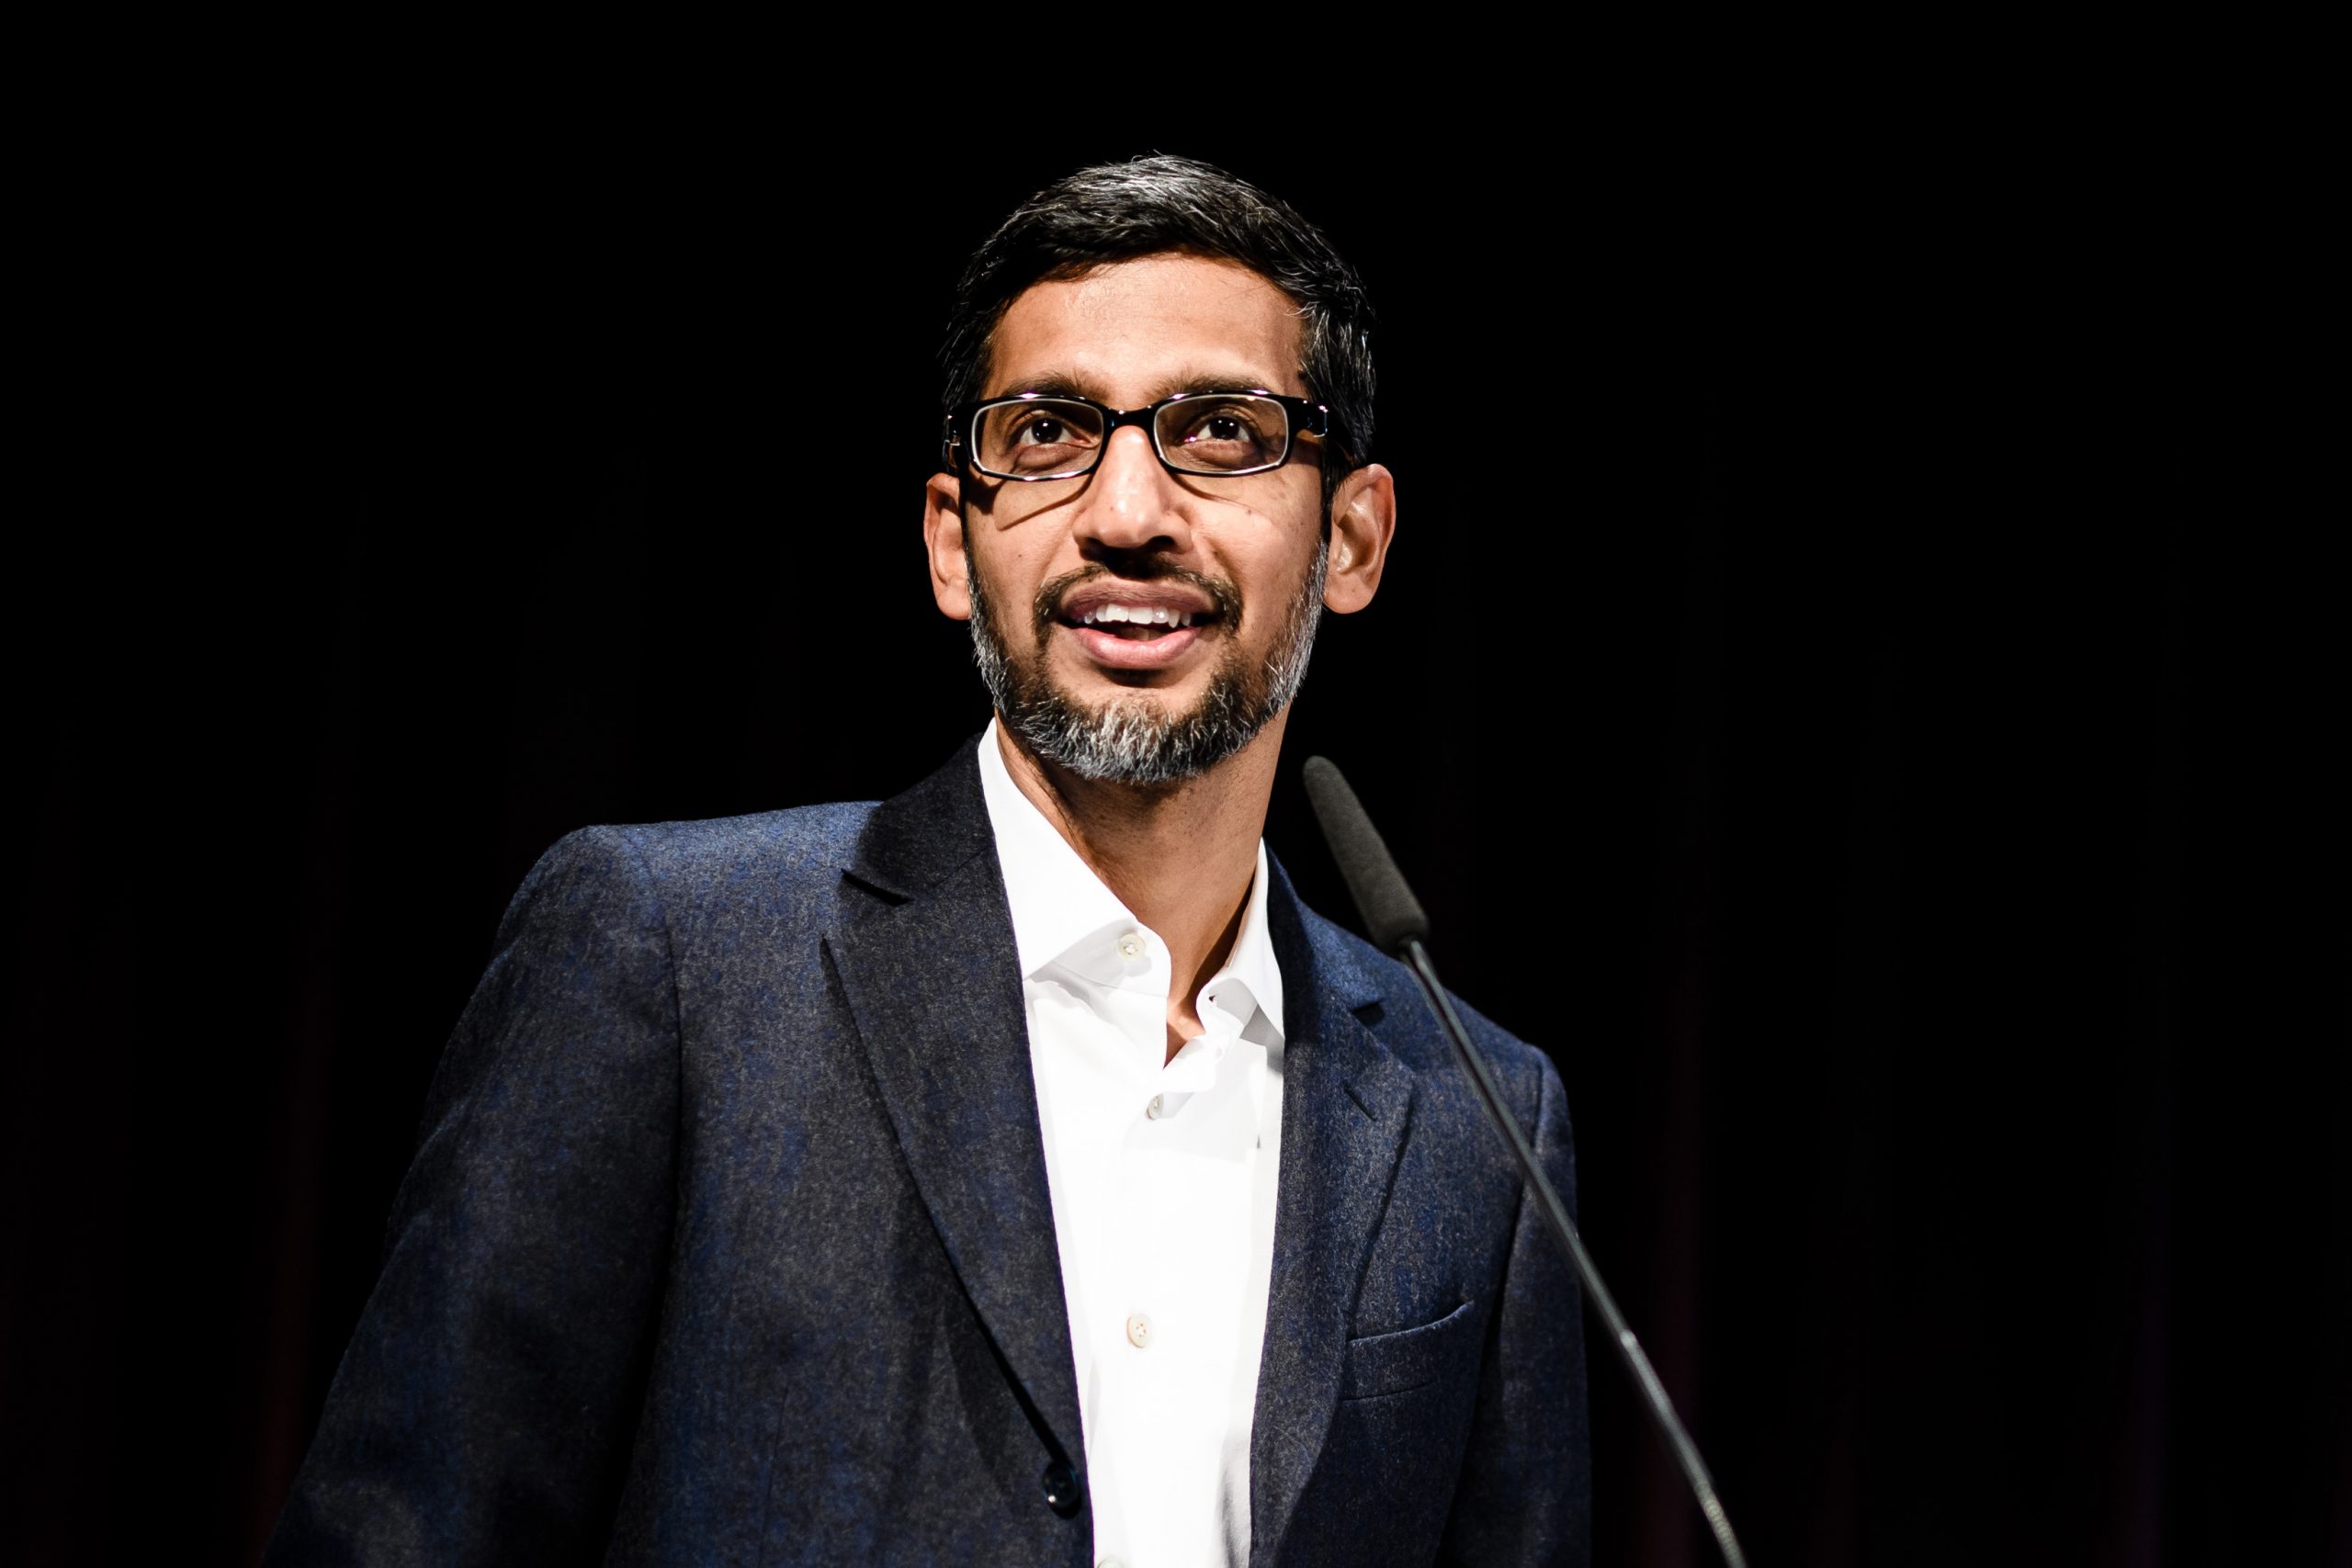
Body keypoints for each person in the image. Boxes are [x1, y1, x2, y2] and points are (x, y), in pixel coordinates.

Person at [266, 155, 1591, 1567]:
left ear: (1352, 535)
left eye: (1219, 431)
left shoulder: (1478, 1119)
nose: (1127, 513)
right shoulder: (668, 961)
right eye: (1045, 434)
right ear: (954, 543)